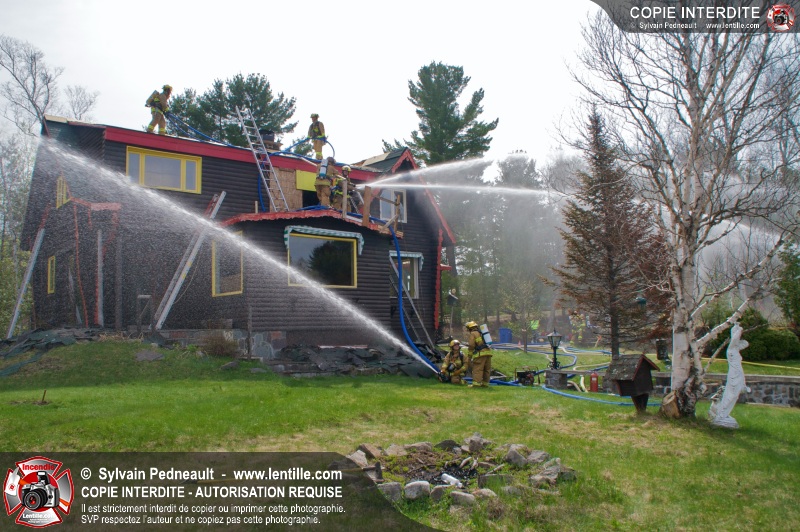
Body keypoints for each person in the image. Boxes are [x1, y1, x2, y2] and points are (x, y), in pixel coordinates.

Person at [465, 321, 492, 387]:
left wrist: (469, 356)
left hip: (481, 354)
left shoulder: (473, 333)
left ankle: (476, 384)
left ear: (469, 328)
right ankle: (485, 384)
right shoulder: (482, 332)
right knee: (486, 369)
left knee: (478, 369)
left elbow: (471, 345)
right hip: (488, 353)